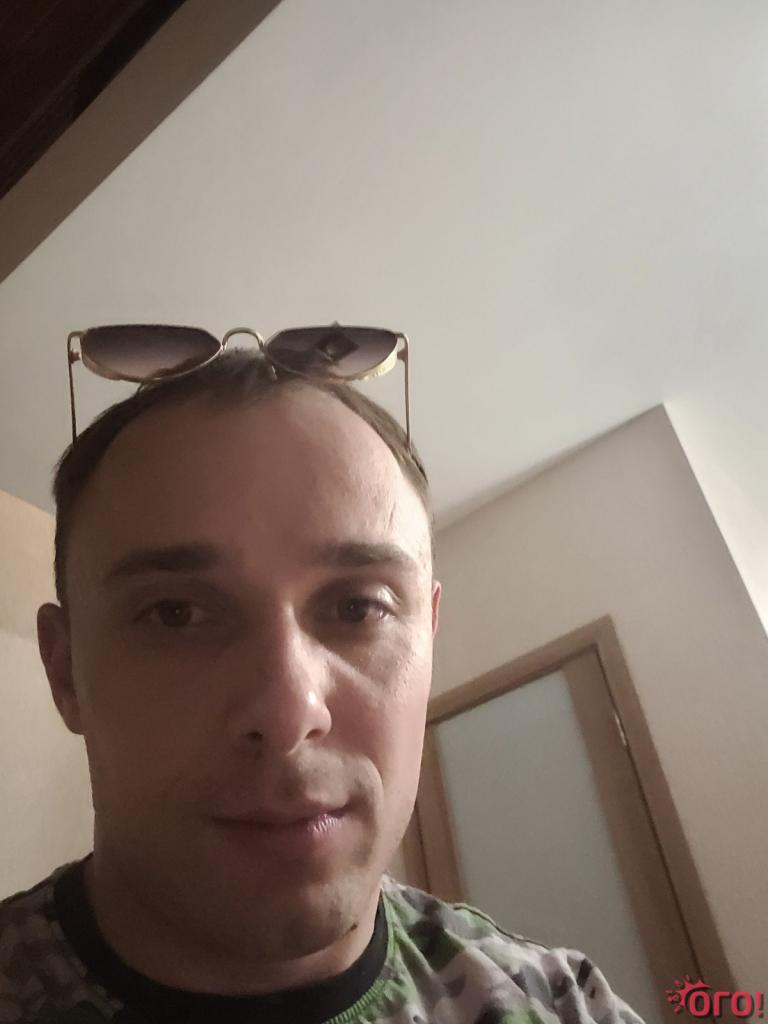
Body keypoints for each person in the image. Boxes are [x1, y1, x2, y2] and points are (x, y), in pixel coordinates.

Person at [0, 343, 645, 1023]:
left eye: (358, 608)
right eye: (175, 613)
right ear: (65, 670)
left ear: (427, 639)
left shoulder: (563, 1005)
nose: (288, 712)